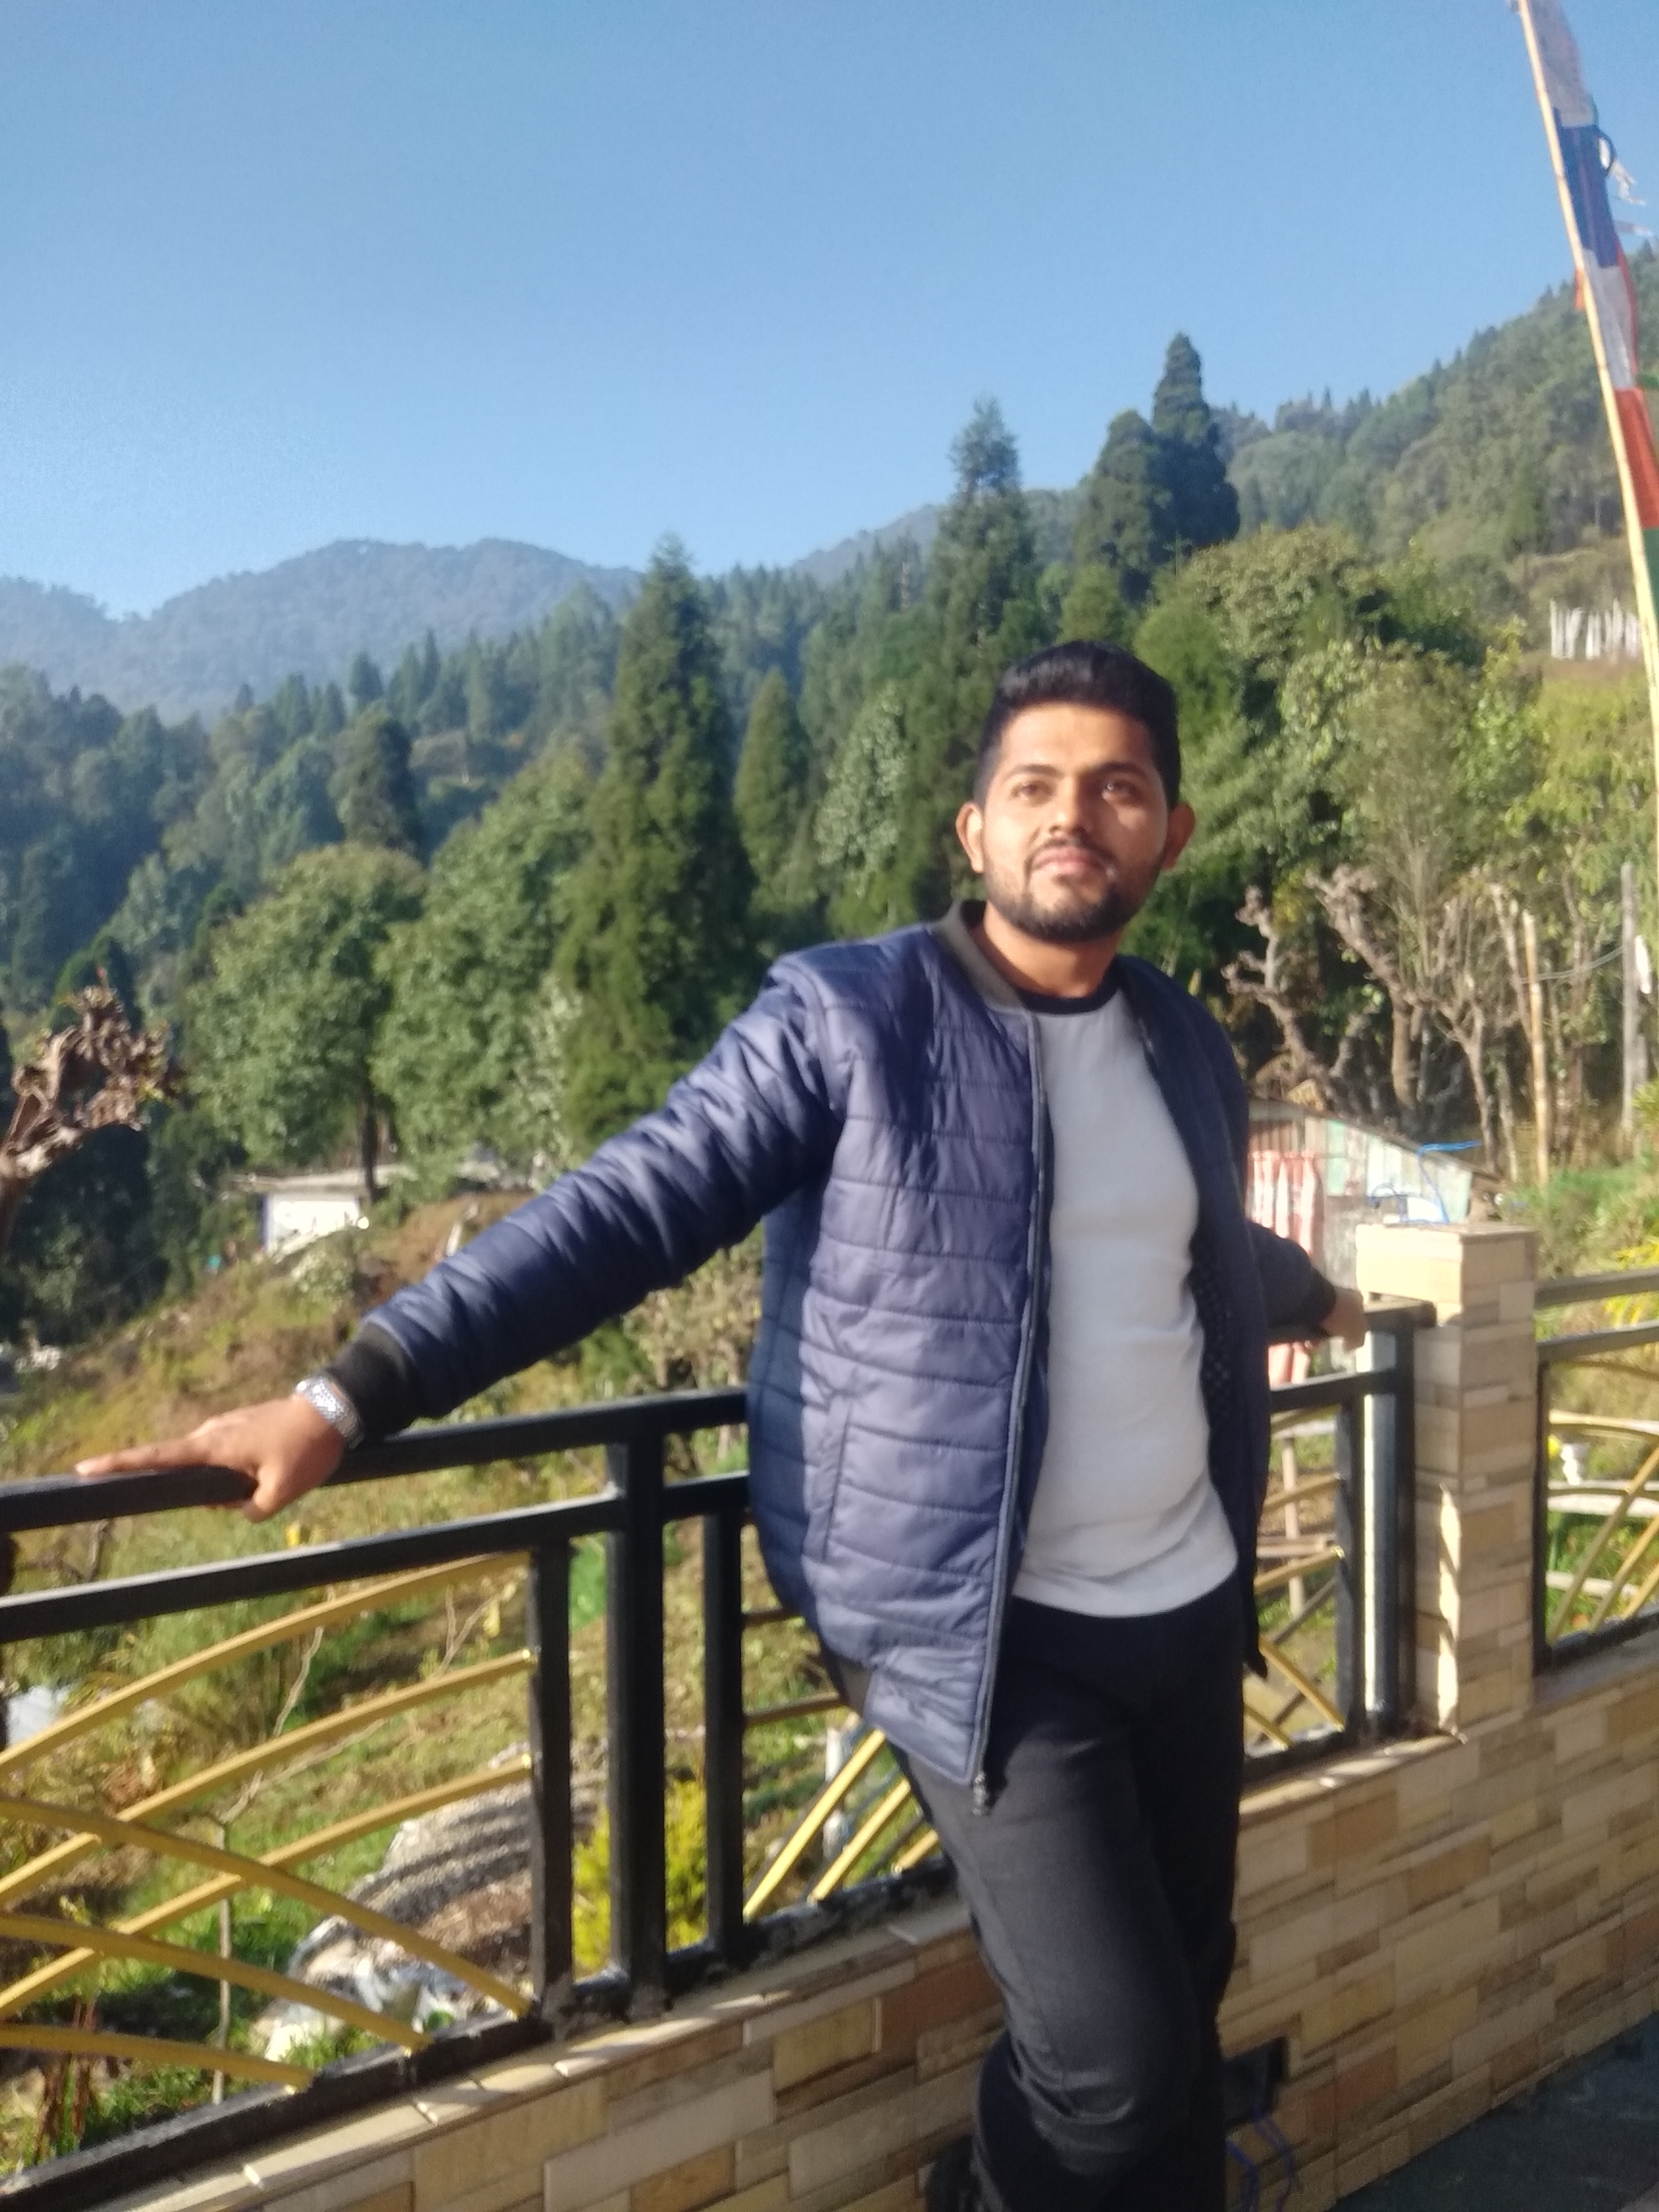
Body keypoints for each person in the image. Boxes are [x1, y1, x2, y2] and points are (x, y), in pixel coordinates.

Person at [83, 640, 1365, 2212]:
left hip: (1187, 1604)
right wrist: (352, 1393)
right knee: (1115, 2068)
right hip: (983, 1637)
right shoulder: (853, 1018)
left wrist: (1314, 1293)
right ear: (975, 829)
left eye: (1118, 788)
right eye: (1035, 786)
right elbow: (625, 1210)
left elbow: (1183, 1243)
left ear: (1170, 831)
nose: (1073, 817)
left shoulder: (1178, 1038)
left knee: (1185, 1990)